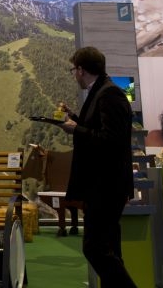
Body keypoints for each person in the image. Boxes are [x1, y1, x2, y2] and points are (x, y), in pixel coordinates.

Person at [56, 47, 137, 288]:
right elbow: (98, 128)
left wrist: (76, 130)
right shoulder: (103, 90)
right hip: (105, 186)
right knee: (110, 250)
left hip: (106, 186)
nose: (74, 75)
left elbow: (111, 140)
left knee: (95, 248)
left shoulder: (109, 94)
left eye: (74, 70)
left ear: (81, 70)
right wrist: (75, 119)